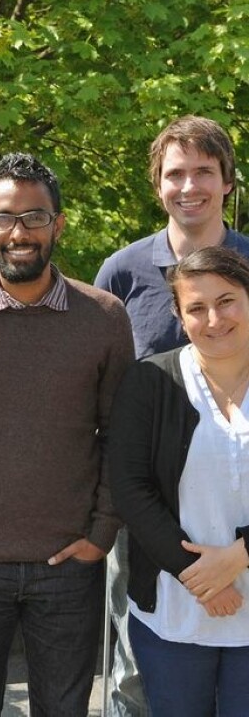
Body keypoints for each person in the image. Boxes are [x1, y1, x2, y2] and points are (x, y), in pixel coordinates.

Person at [0, 153, 134, 715]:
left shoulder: (105, 316)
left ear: (58, 224)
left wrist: (101, 533)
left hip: (69, 565)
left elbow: (120, 436)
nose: (20, 233)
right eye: (5, 218)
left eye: (35, 218)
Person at [94, 115, 249, 716]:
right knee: (137, 680)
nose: (190, 186)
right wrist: (188, 569)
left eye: (204, 172)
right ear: (156, 184)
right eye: (175, 173)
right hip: (149, 520)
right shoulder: (123, 272)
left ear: (228, 182)